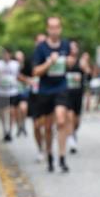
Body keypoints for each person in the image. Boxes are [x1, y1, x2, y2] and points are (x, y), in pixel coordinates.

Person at [32, 17, 74, 173]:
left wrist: (70, 61)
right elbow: (35, 72)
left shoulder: (66, 45)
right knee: (48, 127)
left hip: (61, 87)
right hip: (45, 90)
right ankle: (49, 155)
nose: (54, 30)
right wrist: (49, 63)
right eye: (51, 27)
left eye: (57, 27)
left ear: (60, 29)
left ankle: (62, 157)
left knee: (61, 120)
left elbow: (71, 62)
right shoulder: (41, 48)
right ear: (47, 29)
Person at [65, 42, 91, 153]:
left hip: (78, 94)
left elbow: (89, 78)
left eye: (75, 47)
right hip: (66, 94)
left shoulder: (81, 62)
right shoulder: (64, 61)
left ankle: (73, 133)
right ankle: (71, 138)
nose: (73, 49)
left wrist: (86, 69)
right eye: (71, 48)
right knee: (69, 117)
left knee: (77, 121)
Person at [0, 48, 20, 141]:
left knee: (11, 112)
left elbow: (18, 76)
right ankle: (4, 130)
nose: (6, 56)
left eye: (7, 54)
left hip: (12, 91)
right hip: (1, 92)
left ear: (10, 55)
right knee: (2, 113)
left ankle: (10, 132)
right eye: (4, 54)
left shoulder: (15, 64)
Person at [13, 50, 29, 137]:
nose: (19, 60)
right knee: (16, 111)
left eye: (20, 58)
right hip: (14, 91)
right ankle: (19, 126)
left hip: (24, 90)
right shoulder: (12, 66)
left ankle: (23, 124)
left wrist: (25, 79)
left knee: (23, 108)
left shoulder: (27, 67)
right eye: (17, 58)